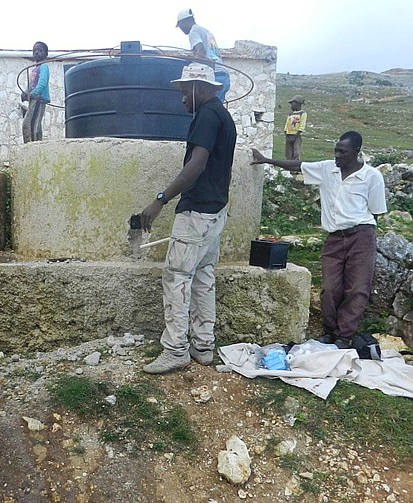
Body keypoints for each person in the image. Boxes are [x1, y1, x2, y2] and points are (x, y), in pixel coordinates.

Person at [140, 63, 237, 374]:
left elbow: (196, 164)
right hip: (216, 211)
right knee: (204, 276)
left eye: (184, 92)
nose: (182, 99)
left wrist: (160, 200)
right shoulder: (224, 115)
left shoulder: (206, 115)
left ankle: (176, 349)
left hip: (196, 212)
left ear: (199, 88)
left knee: (177, 278)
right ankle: (203, 346)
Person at [251, 131, 387, 349]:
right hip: (334, 239)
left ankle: (344, 336)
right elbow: (298, 166)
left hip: (361, 236)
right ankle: (330, 332)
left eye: (342, 152)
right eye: (335, 150)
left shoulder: (372, 177)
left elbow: (376, 212)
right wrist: (267, 160)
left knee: (357, 288)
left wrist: (359, 232)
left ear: (356, 152)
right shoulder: (327, 169)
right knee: (330, 288)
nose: (337, 155)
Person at [176, 8, 231, 103]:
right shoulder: (205, 31)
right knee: (217, 107)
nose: (181, 28)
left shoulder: (194, 32)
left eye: (180, 25)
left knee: (209, 107)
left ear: (185, 21)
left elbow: (201, 53)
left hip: (213, 75)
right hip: (223, 75)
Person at [21, 41, 50, 143]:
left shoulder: (44, 67)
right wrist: (25, 93)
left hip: (39, 98)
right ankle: (30, 143)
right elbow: (31, 85)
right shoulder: (35, 69)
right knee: (28, 123)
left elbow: (42, 83)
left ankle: (36, 143)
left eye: (40, 50)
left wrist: (32, 94)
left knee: (35, 123)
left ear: (46, 54)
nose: (36, 52)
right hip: (33, 98)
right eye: (34, 50)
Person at [284, 95, 307, 160]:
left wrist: (296, 134)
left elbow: (302, 125)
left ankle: (295, 166)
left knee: (296, 152)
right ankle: (289, 166)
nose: (291, 106)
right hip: (289, 135)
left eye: (292, 104)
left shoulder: (302, 113)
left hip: (296, 135)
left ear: (298, 104)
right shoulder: (290, 114)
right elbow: (287, 124)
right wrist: (286, 133)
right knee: (288, 152)